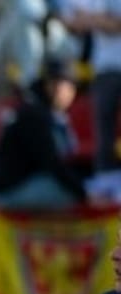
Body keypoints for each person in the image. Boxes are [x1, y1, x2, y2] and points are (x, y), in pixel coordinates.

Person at [0, 58, 86, 210]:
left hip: (22, 183)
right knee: (70, 193)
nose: (66, 92)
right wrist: (85, 194)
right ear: (49, 85)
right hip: (10, 191)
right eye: (59, 84)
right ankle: (63, 232)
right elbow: (52, 163)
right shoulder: (35, 114)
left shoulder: (45, 112)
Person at [60, 0, 121, 174]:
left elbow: (117, 25)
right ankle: (105, 176)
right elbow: (72, 23)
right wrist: (102, 20)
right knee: (103, 130)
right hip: (103, 69)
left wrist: (91, 20)